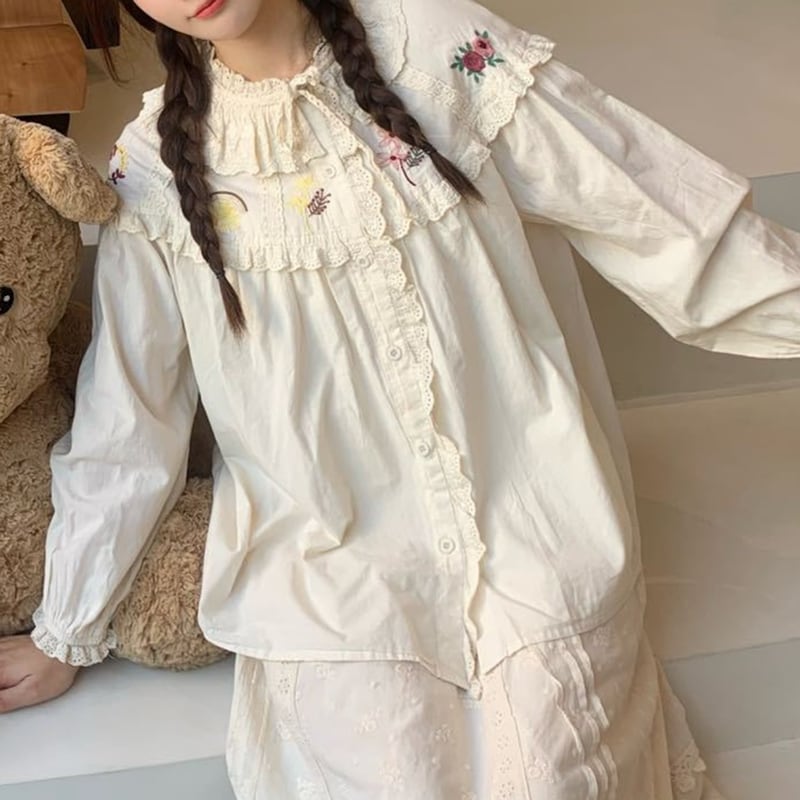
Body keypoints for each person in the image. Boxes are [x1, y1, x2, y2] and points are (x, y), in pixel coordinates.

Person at [1, 0, 798, 796]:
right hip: (326, 562)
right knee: (392, 777)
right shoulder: (154, 169)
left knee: (555, 774)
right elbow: (129, 419)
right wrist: (66, 627)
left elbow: (648, 206)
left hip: (530, 517)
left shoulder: (434, 48)